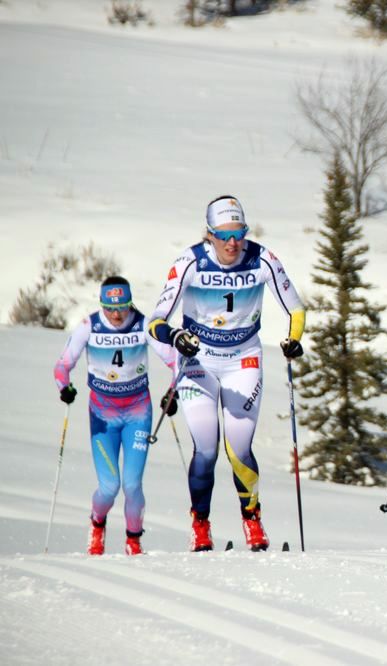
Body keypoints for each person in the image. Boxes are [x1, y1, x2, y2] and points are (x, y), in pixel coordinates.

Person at [148, 195, 306, 552]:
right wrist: (175, 336)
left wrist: (294, 339)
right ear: (209, 235)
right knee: (205, 449)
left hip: (243, 361)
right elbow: (155, 321)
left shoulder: (263, 258)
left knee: (239, 448)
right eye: (224, 235)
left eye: (239, 233)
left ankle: (252, 519)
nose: (233, 243)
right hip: (198, 363)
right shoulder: (189, 263)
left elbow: (296, 309)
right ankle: (200, 524)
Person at [53, 276, 175, 555]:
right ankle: (97, 524)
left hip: (137, 413)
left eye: (123, 307)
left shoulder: (143, 325)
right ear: (102, 304)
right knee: (109, 487)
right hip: (103, 417)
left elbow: (174, 360)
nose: (117, 314)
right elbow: (62, 365)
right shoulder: (89, 326)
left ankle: (133, 540)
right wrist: (65, 387)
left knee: (132, 485)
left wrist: (172, 390)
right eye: (110, 308)